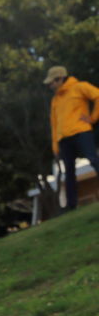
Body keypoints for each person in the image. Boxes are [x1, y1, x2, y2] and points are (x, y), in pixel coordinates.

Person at [44, 65, 99, 211]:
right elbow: (54, 123)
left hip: (82, 132)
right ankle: (71, 205)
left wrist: (93, 118)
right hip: (64, 139)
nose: (50, 86)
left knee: (94, 160)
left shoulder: (80, 87)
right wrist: (55, 145)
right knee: (69, 172)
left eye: (52, 82)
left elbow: (98, 96)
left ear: (60, 78)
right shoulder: (55, 100)